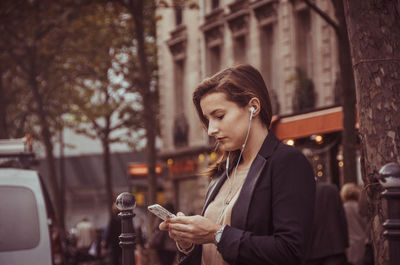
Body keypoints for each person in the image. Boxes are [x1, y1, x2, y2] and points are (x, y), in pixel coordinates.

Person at [159, 64, 316, 265]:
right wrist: (188, 242)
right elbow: (212, 253)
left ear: (254, 107)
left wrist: (217, 234)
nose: (211, 130)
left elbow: (291, 250)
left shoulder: (287, 163)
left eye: (219, 116)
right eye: (208, 120)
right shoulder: (221, 173)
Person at [305, 182, 349, 265]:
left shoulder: (296, 193)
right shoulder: (331, 189)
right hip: (334, 248)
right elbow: (341, 217)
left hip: (309, 252)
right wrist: (344, 243)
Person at [340, 183, 367, 265]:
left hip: (348, 244)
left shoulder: (342, 209)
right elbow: (365, 224)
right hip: (362, 244)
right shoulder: (360, 208)